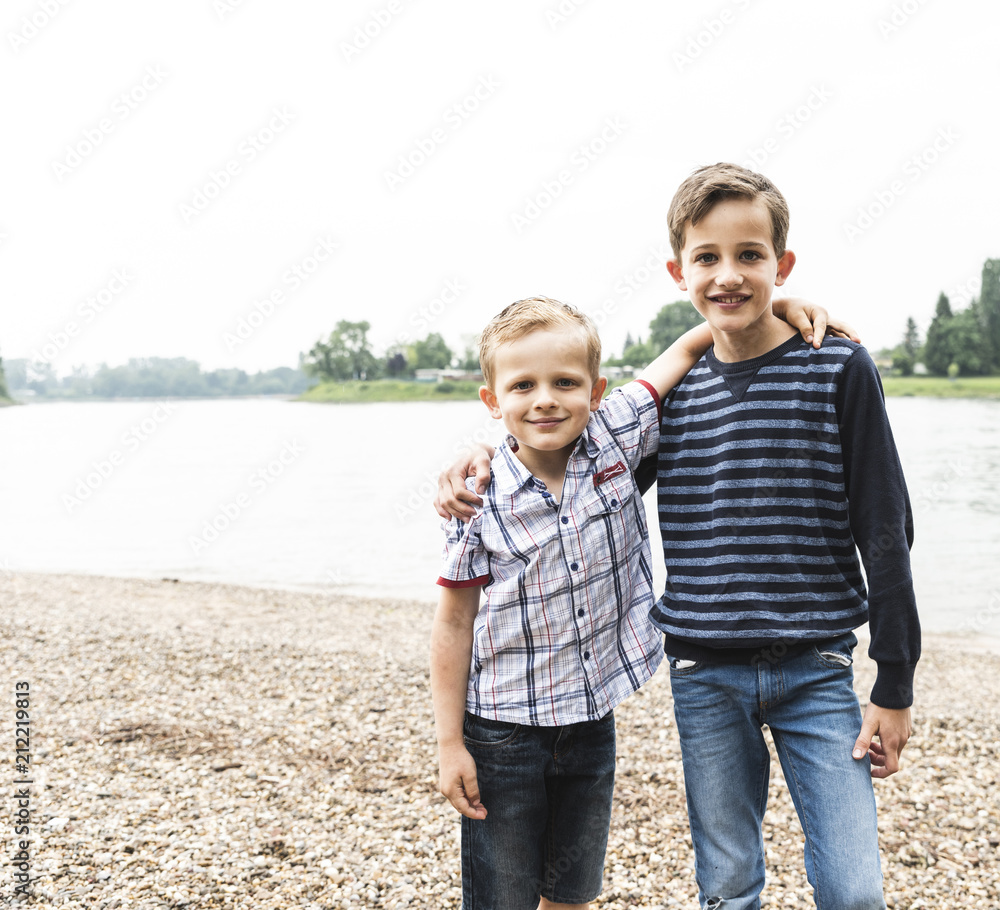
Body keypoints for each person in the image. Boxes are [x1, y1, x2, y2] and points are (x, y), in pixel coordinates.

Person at [435, 165, 916, 910]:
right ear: (678, 271)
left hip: (818, 667)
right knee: (726, 886)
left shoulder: (838, 368)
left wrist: (895, 679)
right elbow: (565, 444)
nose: (730, 274)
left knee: (854, 890)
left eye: (751, 256)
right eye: (708, 258)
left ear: (781, 265)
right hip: (703, 674)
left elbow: (885, 528)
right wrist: (479, 454)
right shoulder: (674, 398)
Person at [431, 293, 844, 910]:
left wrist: (776, 307)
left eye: (565, 382)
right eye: (523, 385)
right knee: (501, 893)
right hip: (502, 727)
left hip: (591, 717)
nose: (545, 398)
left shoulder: (615, 435)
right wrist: (448, 743)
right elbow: (454, 623)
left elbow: (687, 346)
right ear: (492, 402)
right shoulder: (476, 499)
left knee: (572, 888)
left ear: (596, 391)